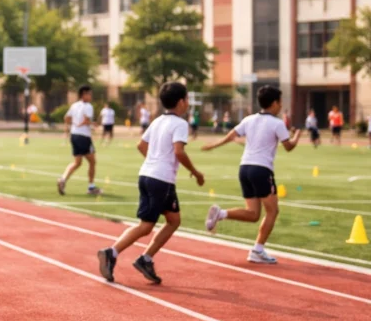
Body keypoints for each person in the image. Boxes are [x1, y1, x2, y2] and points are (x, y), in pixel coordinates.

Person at [97, 82, 204, 285]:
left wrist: (153, 161)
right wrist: (196, 173)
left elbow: (141, 145)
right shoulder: (180, 124)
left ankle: (146, 259)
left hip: (148, 175)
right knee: (146, 226)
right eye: (187, 99)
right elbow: (179, 151)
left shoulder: (157, 121)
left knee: (173, 220)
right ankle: (112, 252)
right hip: (160, 180)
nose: (188, 103)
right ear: (181, 102)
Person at [203, 86, 301, 264]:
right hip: (261, 170)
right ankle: (258, 250)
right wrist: (297, 137)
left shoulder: (249, 119)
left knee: (254, 214)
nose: (280, 106)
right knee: (273, 211)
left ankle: (221, 214)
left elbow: (231, 136)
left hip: (245, 168)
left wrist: (213, 145)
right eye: (280, 102)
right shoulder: (277, 123)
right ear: (274, 103)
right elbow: (288, 147)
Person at [56, 85, 101, 197]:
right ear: (83, 94)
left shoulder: (74, 105)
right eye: (89, 94)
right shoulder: (88, 106)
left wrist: (73, 125)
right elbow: (86, 120)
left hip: (74, 135)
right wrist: (91, 123)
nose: (90, 96)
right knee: (92, 161)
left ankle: (63, 179)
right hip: (83, 136)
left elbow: (66, 118)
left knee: (77, 162)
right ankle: (91, 186)